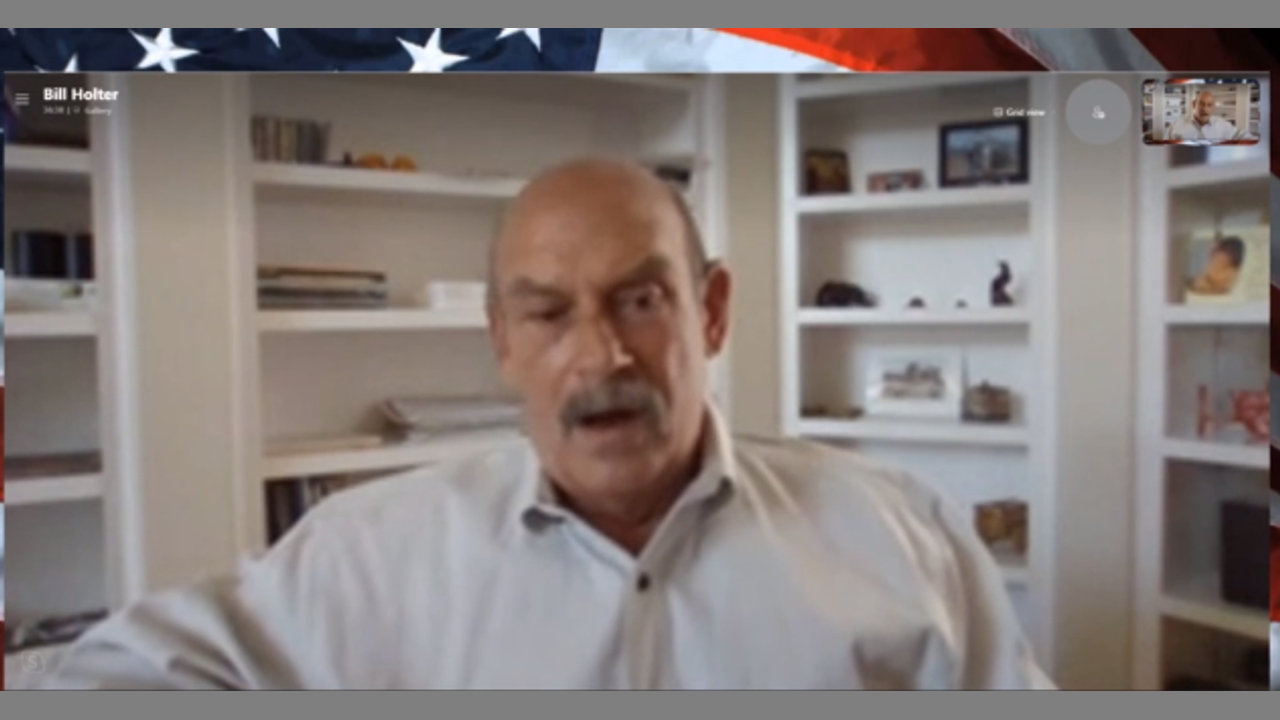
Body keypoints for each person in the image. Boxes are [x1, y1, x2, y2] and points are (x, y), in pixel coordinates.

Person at [39, 158, 1052, 690]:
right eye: (548, 313)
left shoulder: (898, 531)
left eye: (640, 301)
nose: (601, 356)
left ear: (710, 313)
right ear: (501, 339)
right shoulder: (369, 555)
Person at [1167, 89, 1246, 141]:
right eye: (1201, 104)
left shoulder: (1222, 125)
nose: (1205, 109)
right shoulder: (1176, 125)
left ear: (1213, 108)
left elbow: (1242, 135)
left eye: (1209, 105)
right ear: (1194, 104)